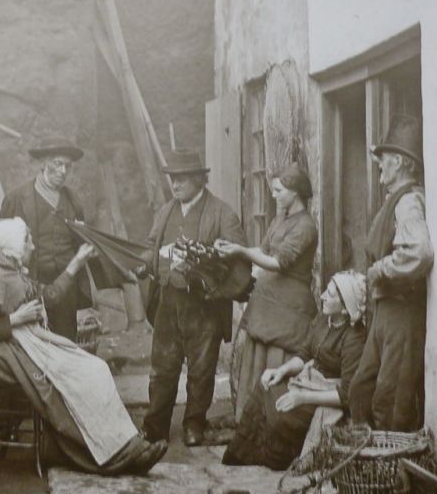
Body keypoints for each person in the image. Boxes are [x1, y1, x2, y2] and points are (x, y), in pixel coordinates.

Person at [0, 218, 168, 475]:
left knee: (96, 368)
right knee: (69, 378)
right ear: (11, 248)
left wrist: (77, 262)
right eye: (28, 241)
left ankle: (125, 444)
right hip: (0, 353)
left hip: (22, 341)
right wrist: (14, 320)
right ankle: (108, 455)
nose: (33, 247)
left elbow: (50, 298)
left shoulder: (9, 270)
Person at [141, 149, 249, 447]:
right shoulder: (166, 211)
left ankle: (194, 424)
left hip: (204, 305)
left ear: (200, 180)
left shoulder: (222, 213)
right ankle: (156, 425)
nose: (175, 185)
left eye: (182, 179)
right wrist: (146, 260)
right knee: (163, 366)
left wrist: (214, 284)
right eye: (173, 179)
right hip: (168, 300)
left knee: (201, 369)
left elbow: (237, 255)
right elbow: (151, 244)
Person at [222, 271, 368, 470]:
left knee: (282, 411)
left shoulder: (354, 338)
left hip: (327, 395)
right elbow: (305, 353)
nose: (323, 295)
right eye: (326, 290)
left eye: (331, 294)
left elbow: (346, 396)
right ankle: (244, 457)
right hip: (309, 382)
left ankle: (277, 460)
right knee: (265, 388)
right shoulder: (324, 320)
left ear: (345, 309)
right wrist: (281, 371)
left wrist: (302, 397)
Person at [348, 114, 433, 432]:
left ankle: (391, 473)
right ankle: (366, 464)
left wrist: (380, 270)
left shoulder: (409, 201)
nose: (379, 164)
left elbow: (419, 252)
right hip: (386, 311)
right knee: (361, 388)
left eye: (383, 159)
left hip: (402, 312)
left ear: (399, 162)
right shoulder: (395, 201)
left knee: (391, 399)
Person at [216, 164, 318, 422]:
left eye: (278, 190)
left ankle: (270, 421)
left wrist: (240, 251)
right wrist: (235, 247)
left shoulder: (306, 225)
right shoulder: (279, 219)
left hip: (288, 306)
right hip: (267, 302)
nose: (274, 195)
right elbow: (263, 253)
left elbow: (279, 262)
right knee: (256, 358)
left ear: (294, 193)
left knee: (276, 359)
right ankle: (248, 420)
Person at [0, 137, 87, 340]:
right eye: (58, 164)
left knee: (66, 342)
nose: (63, 171)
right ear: (43, 163)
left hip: (66, 289)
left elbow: (82, 241)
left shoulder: (74, 202)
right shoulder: (17, 198)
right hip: (29, 287)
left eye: (68, 166)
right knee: (35, 344)